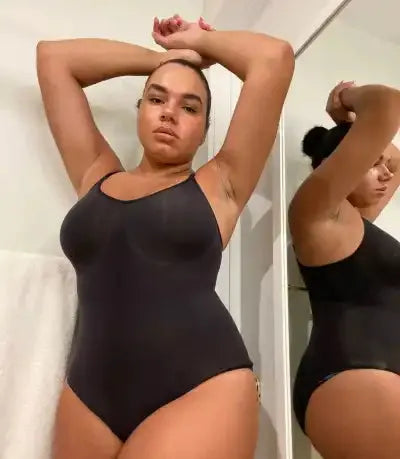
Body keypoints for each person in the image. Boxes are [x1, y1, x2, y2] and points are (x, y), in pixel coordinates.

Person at [36, 14, 294, 459]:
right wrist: (165, 59)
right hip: (89, 393)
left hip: (200, 387)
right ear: (140, 108)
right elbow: (53, 59)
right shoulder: (95, 172)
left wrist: (198, 42)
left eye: (190, 107)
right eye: (157, 98)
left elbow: (274, 58)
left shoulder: (221, 184)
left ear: (204, 130)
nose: (169, 112)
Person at [289, 80, 400, 458]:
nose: (386, 173)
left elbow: (396, 159)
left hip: (374, 377)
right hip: (352, 374)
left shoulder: (358, 222)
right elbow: (389, 105)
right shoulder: (317, 213)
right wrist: (345, 102)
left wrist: (348, 127)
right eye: (372, 163)